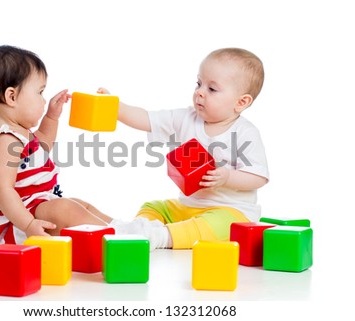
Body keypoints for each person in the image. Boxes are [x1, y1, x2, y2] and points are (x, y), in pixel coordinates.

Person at [99, 48, 269, 250]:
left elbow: (259, 177)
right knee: (153, 207)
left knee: (223, 226)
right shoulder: (186, 118)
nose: (200, 92)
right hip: (188, 207)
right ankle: (143, 228)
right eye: (199, 84)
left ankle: (160, 238)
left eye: (212, 89)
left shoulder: (245, 132)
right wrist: (115, 106)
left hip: (230, 211)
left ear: (241, 102)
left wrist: (227, 177)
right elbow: (147, 119)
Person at [0, 45, 113, 246]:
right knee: (64, 209)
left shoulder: (18, 134)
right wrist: (29, 225)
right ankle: (116, 238)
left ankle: (122, 229)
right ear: (11, 97)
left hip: (34, 212)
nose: (43, 100)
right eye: (39, 92)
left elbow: (43, 146)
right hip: (17, 226)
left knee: (79, 206)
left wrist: (51, 117)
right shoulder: (5, 141)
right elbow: (2, 189)